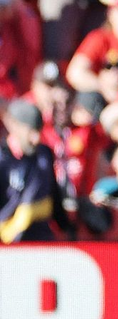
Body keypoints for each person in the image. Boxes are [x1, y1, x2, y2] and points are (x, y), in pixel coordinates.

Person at [0, 100, 72, 243]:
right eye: (31, 131)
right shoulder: (2, 160)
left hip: (40, 242)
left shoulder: (44, 154)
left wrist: (67, 228)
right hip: (7, 244)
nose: (36, 138)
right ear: (14, 125)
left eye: (39, 131)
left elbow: (53, 195)